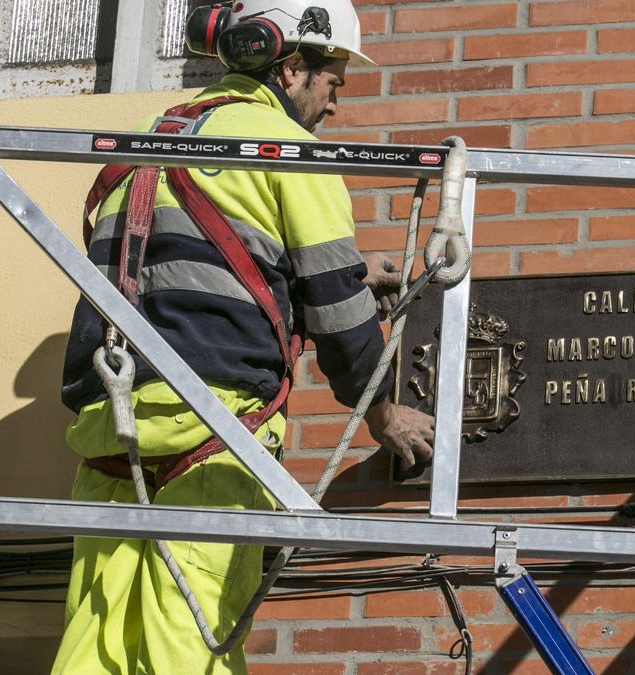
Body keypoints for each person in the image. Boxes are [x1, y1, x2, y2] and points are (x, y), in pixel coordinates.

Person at [51, 1, 434, 672]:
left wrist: (334, 273)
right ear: (290, 70)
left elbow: (174, 265)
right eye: (333, 81)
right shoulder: (288, 150)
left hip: (109, 434)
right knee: (189, 645)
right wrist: (385, 415)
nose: (335, 106)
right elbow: (342, 323)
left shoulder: (148, 135)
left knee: (98, 641)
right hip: (213, 434)